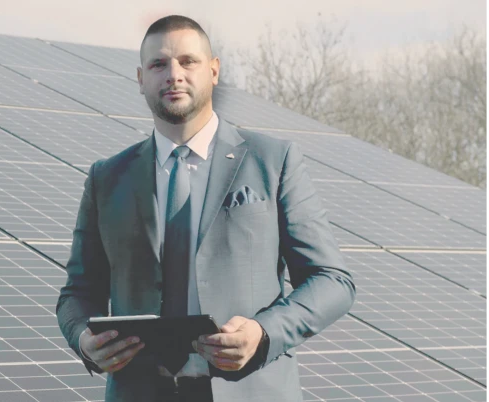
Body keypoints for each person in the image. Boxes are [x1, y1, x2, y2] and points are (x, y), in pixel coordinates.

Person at [56, 14, 356, 402]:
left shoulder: (272, 161)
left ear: (214, 71)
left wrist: (264, 333)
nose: (174, 75)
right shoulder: (108, 178)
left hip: (251, 391)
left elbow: (332, 280)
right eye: (158, 64)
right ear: (140, 79)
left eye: (188, 61)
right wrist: (83, 340)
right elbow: (77, 293)